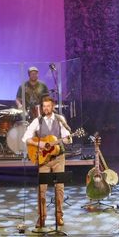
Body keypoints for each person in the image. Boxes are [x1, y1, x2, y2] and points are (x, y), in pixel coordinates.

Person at [22, 96, 72, 228]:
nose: (46, 109)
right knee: (41, 188)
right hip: (43, 159)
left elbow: (67, 137)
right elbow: (26, 138)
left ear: (53, 107)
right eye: (44, 106)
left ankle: (59, 216)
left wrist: (67, 139)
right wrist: (38, 144)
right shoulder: (37, 121)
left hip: (58, 158)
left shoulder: (60, 119)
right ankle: (42, 217)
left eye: (48, 106)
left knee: (59, 187)